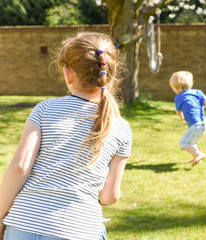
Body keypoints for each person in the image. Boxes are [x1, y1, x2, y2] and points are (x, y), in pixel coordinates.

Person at [0, 32, 132, 240]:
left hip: (24, 224)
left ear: (68, 74)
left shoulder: (44, 109)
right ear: (111, 73)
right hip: (82, 230)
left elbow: (20, 166)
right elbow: (110, 196)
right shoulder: (122, 127)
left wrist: (0, 215)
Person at [169, 71, 206, 167]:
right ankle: (196, 158)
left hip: (196, 125)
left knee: (184, 143)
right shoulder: (197, 92)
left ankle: (199, 154)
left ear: (179, 87)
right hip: (204, 124)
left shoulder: (178, 97)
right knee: (192, 142)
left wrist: (182, 118)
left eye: (173, 88)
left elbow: (178, 111)